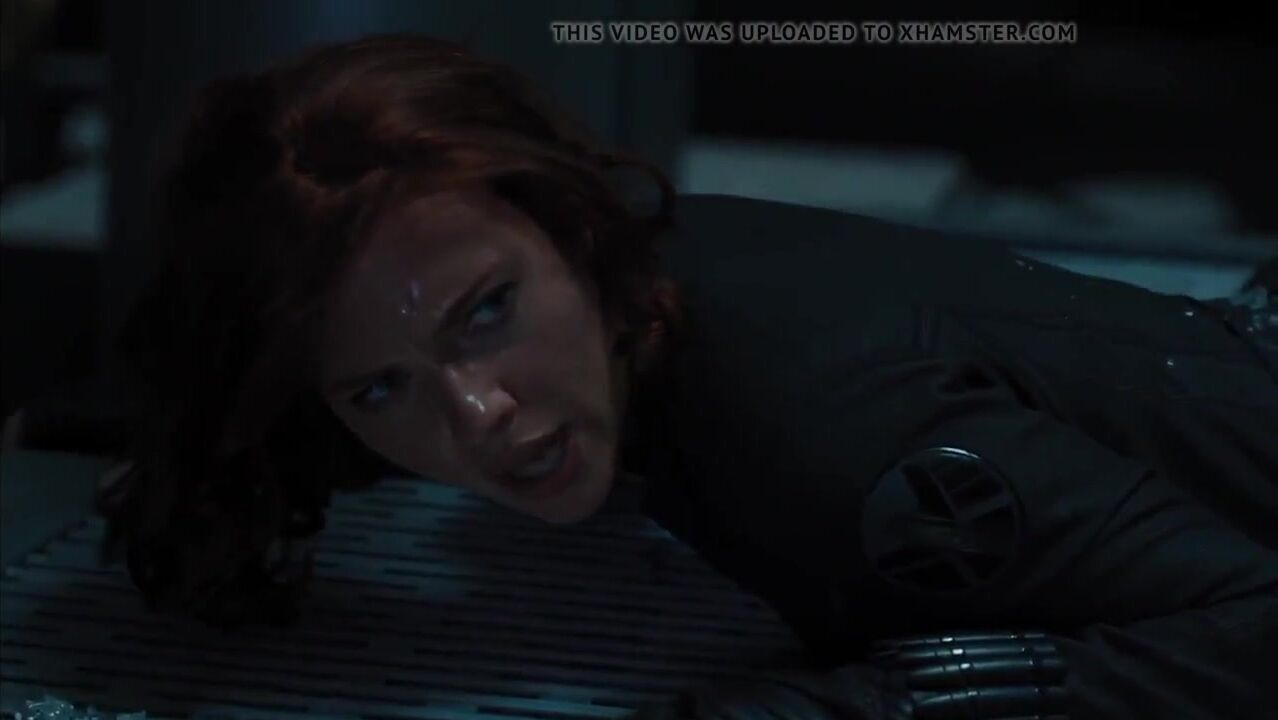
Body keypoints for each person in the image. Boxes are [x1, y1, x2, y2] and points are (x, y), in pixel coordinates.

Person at [98, 34, 1277, 719]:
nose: (480, 415)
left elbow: (1252, 629)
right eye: (381, 390)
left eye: (488, 312)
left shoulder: (817, 436)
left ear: (572, 226)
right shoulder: (640, 282)